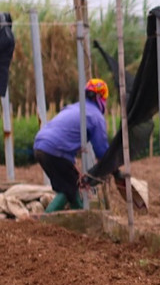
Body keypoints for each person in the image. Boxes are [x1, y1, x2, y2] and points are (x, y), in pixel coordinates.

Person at [33, 79, 111, 213]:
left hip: (40, 145)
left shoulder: (74, 107)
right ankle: (44, 221)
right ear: (100, 98)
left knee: (70, 186)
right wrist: (111, 168)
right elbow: (102, 151)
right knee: (70, 186)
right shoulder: (95, 116)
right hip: (55, 150)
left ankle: (78, 218)